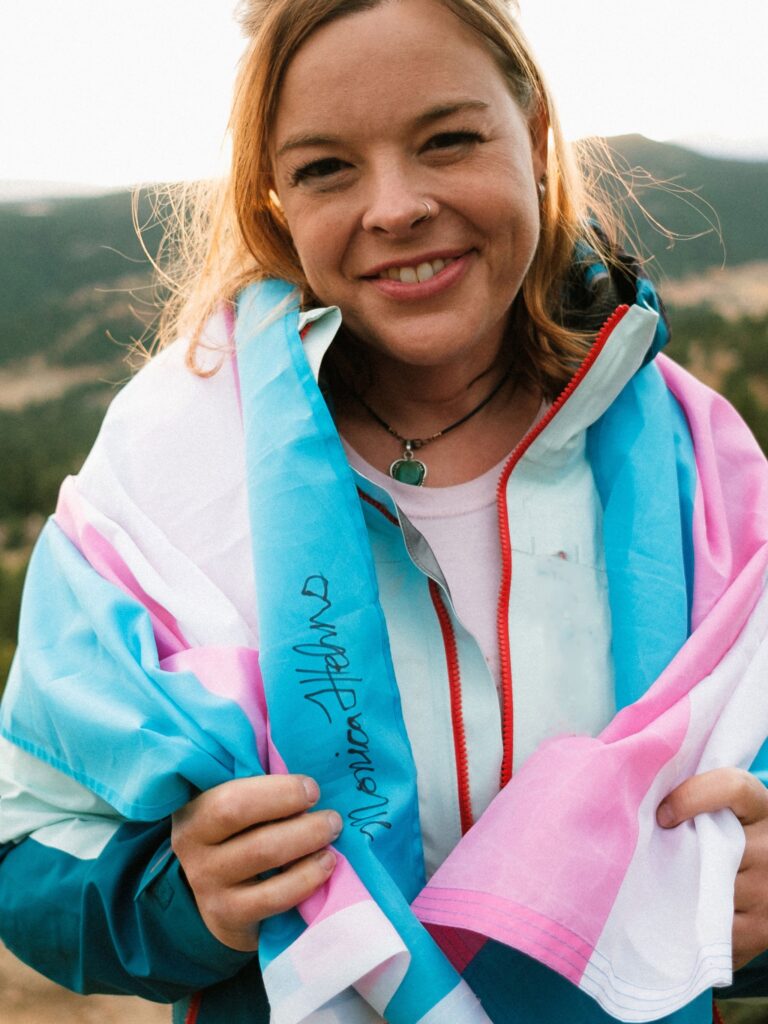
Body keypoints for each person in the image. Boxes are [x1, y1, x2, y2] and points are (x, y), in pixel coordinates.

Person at [1, 1, 768, 1022]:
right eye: (326, 168)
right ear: (274, 198)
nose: (396, 206)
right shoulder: (162, 480)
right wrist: (179, 900)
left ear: (534, 134)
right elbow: (31, 850)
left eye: (447, 140)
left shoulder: (702, 466)